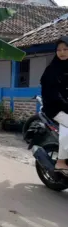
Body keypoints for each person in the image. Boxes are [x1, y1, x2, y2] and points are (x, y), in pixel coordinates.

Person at [41, 36, 68, 175]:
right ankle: (61, 161)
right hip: (55, 107)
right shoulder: (51, 70)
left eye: (65, 49)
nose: (62, 52)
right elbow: (51, 94)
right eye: (59, 50)